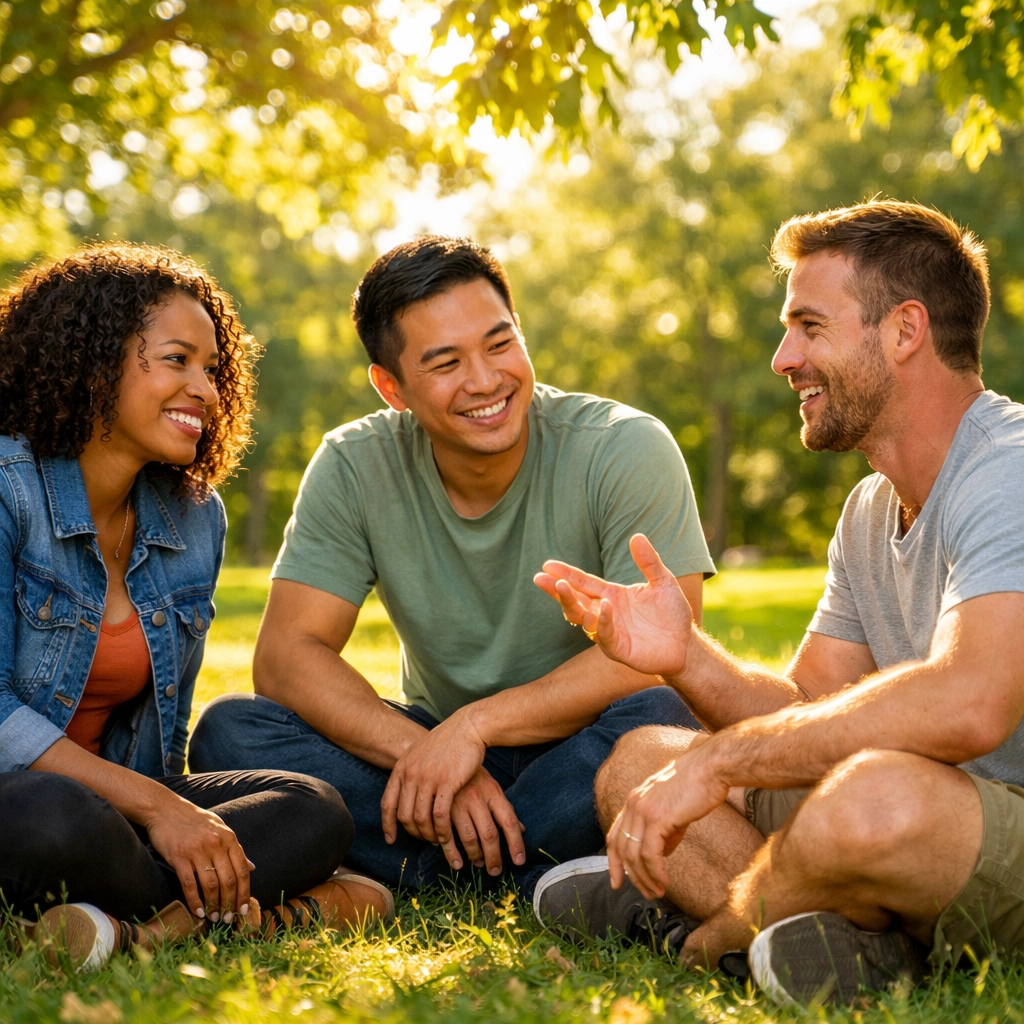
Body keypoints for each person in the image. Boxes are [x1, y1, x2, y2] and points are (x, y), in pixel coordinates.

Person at [531, 200, 1024, 1005]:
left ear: (904, 331)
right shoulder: (872, 508)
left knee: (870, 796)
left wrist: (720, 763)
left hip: (974, 822)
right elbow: (808, 708)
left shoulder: (1008, 470)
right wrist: (685, 656)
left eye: (809, 326)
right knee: (645, 761)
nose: (781, 357)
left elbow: (971, 704)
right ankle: (843, 942)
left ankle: (710, 938)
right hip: (918, 812)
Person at [188, 236, 715, 897]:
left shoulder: (624, 447)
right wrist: (427, 753)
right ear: (392, 387)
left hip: (583, 743)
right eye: (445, 363)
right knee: (233, 730)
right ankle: (528, 865)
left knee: (669, 711)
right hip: (427, 751)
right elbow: (289, 655)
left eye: (500, 344)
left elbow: (666, 649)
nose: (486, 380)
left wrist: (477, 727)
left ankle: (433, 869)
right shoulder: (356, 464)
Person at [0, 243, 392, 971]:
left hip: (121, 813)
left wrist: (175, 813)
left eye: (212, 369)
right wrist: (163, 813)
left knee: (313, 806)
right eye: (177, 360)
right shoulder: (7, 490)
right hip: (31, 807)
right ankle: (240, 911)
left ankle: (133, 933)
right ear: (91, 362)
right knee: (45, 813)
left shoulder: (191, 517)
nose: (206, 390)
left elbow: (164, 736)